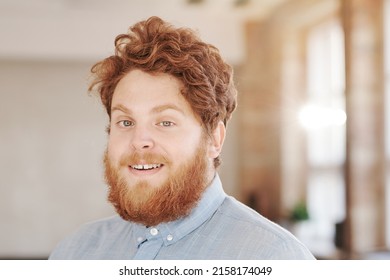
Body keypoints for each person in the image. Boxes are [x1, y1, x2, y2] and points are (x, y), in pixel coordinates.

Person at [49, 16, 315, 260]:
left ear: (214, 139)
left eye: (165, 122)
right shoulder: (73, 253)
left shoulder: (277, 258)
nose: (139, 140)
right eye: (126, 122)